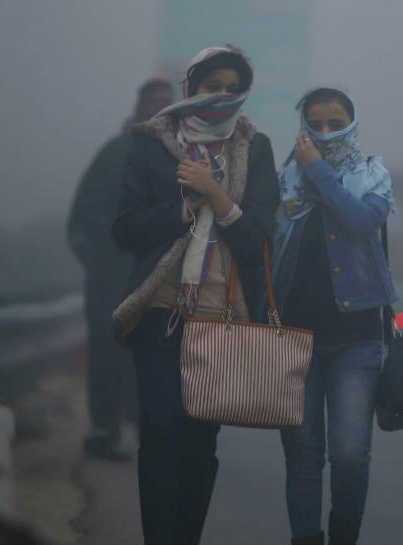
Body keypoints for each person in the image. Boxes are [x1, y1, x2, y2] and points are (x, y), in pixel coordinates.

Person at [111, 46, 279, 545]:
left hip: (219, 318)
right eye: (213, 86)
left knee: (198, 442)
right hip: (159, 311)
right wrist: (185, 207)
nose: (223, 96)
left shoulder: (255, 147)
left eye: (233, 88)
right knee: (159, 430)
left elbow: (259, 243)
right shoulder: (151, 143)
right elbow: (125, 229)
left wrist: (217, 196)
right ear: (191, 89)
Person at [271, 88, 397, 545]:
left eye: (336, 124)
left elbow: (361, 221)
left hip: (356, 338)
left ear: (353, 124)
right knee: (302, 455)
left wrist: (318, 172)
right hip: (293, 337)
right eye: (316, 124)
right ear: (304, 127)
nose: (325, 133)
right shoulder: (284, 181)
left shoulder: (372, 176)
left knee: (349, 454)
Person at [67, 78, 174, 461]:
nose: (158, 108)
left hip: (159, 277)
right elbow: (82, 215)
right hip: (111, 275)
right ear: (140, 106)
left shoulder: (181, 159)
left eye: (165, 102)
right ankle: (104, 430)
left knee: (153, 356)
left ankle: (149, 432)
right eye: (153, 101)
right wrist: (102, 254)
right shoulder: (115, 153)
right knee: (107, 351)